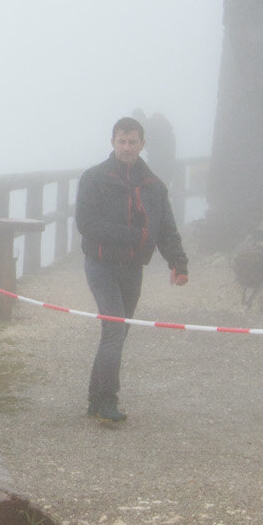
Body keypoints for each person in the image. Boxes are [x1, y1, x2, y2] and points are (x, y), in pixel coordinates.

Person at [75, 117, 189, 425]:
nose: (127, 147)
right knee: (114, 329)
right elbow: (87, 224)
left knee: (118, 332)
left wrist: (179, 263)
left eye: (133, 142)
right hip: (100, 264)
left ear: (142, 144)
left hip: (132, 268)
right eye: (121, 141)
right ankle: (109, 400)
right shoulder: (94, 179)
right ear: (112, 142)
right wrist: (134, 235)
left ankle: (95, 398)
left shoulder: (153, 185)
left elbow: (166, 228)